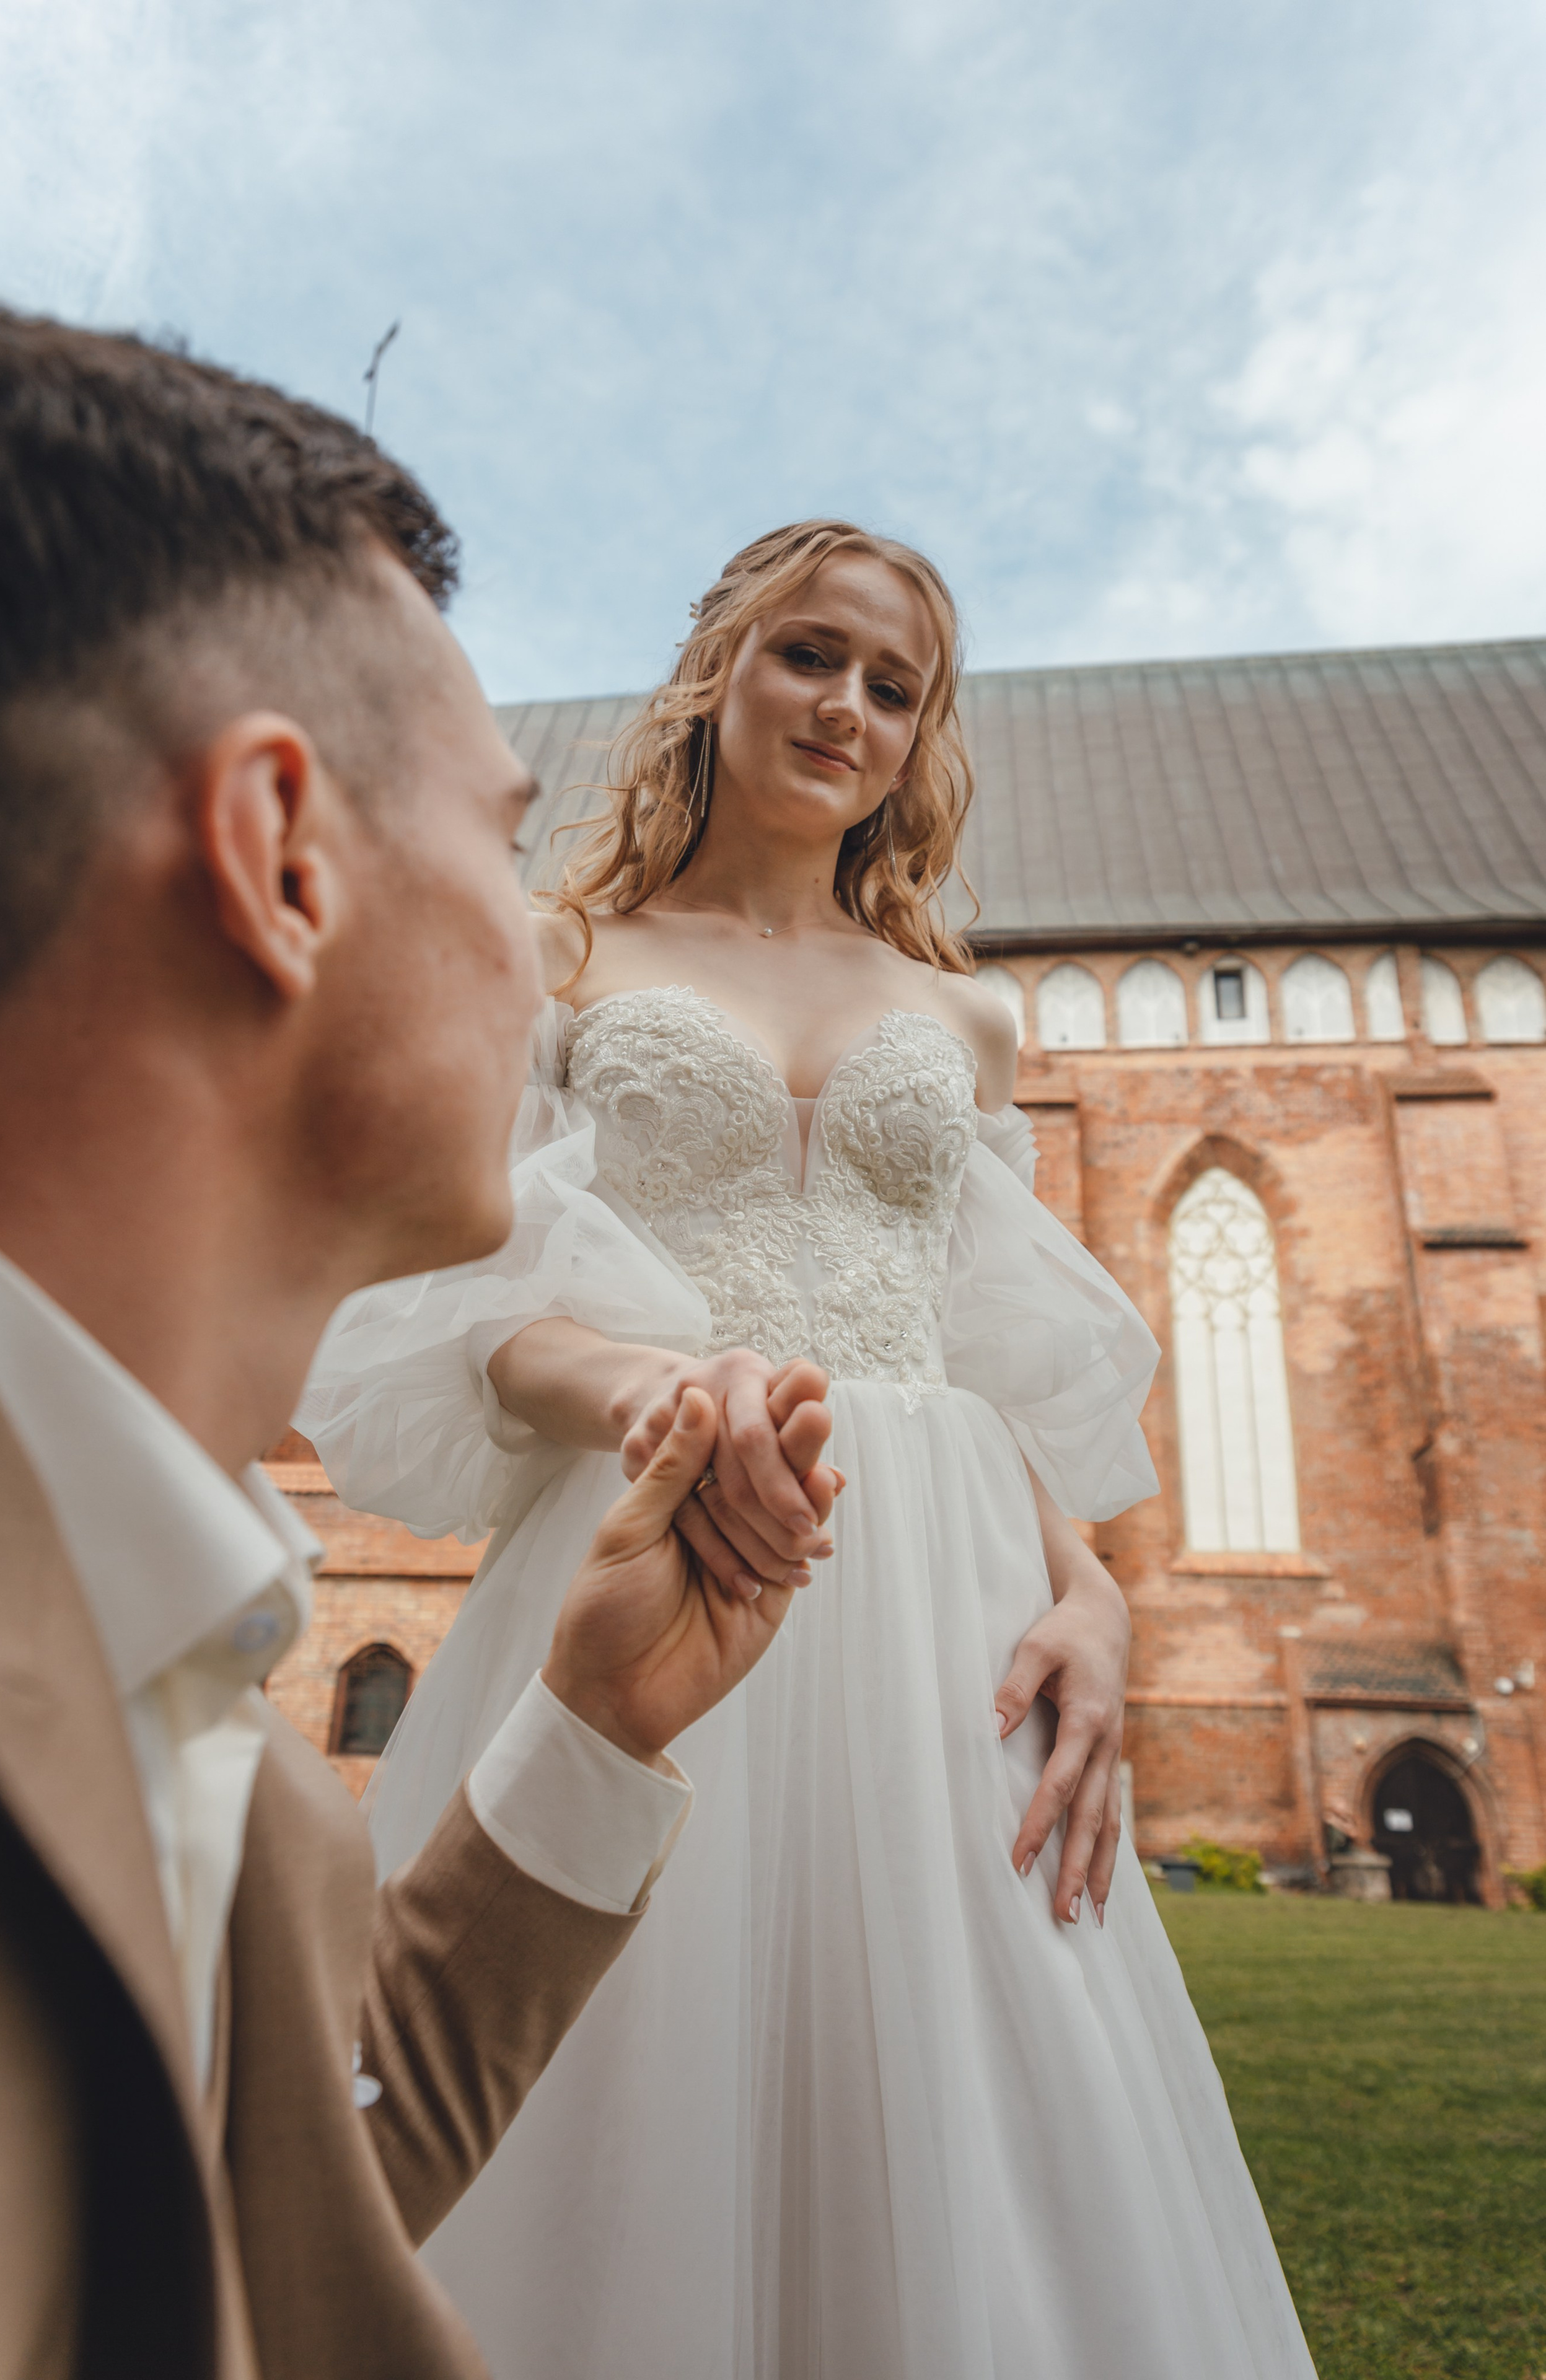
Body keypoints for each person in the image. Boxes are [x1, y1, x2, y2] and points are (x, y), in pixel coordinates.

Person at [301, 520, 1317, 2378]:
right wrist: (642, 1390)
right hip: (659, 1528)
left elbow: (983, 1349)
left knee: (978, 2079)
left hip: (948, 1593)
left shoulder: (964, 1015)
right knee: (610, 2043)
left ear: (919, 738)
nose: (848, 704)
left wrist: (1091, 1592)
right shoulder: (560, 957)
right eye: (810, 654)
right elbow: (470, 1300)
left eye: (894, 685)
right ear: (720, 670)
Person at [0, 310, 835, 2380]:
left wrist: (596, 1723)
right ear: (285, 859)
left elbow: (269, 2191)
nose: (549, 953)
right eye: (504, 842)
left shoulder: (206, 1720)